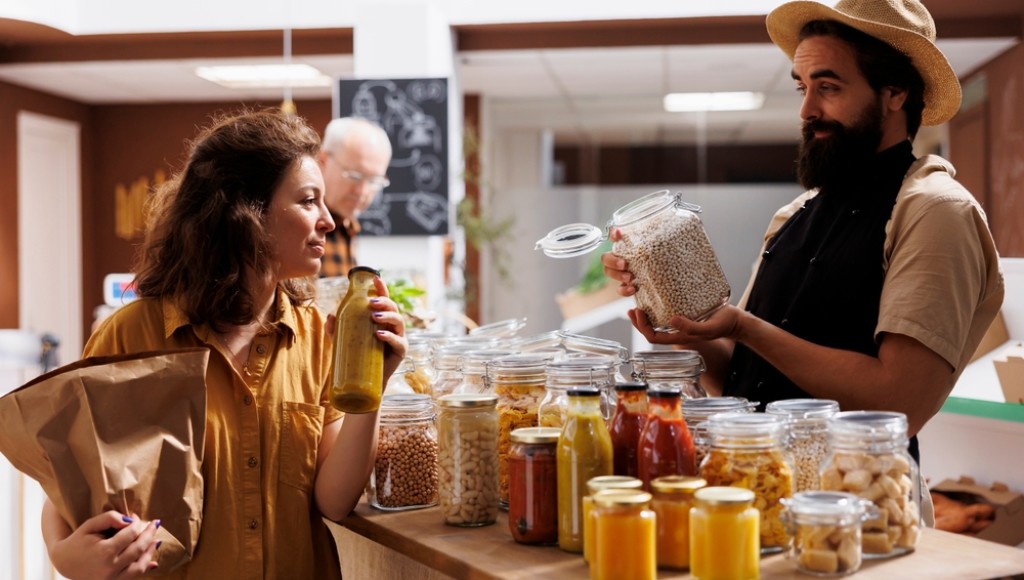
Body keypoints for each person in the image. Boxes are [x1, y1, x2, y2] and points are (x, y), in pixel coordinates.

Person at [603, 0, 1003, 462]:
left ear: (895, 93)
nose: (807, 110)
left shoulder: (936, 213)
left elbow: (901, 403)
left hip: (853, 513)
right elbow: (742, 375)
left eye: (828, 87)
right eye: (803, 88)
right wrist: (677, 318)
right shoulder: (793, 215)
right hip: (759, 487)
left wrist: (745, 327)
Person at [40, 109, 407, 579]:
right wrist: (63, 554)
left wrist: (370, 385)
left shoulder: (319, 337)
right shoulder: (131, 336)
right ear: (247, 213)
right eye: (308, 201)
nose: (329, 221)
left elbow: (333, 503)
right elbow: (68, 487)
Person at [317, 116, 393, 278]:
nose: (362, 191)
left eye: (374, 181)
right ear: (323, 161)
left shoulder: (347, 225)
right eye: (355, 176)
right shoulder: (304, 226)